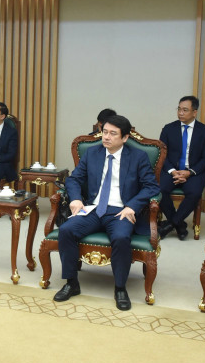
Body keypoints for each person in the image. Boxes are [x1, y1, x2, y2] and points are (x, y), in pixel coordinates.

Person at [53, 114, 160, 310]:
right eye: (104, 132)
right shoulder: (92, 153)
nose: (106, 137)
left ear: (125, 138)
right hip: (93, 208)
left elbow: (151, 187)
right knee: (66, 230)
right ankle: (71, 283)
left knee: (120, 237)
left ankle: (120, 287)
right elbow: (73, 179)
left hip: (121, 211)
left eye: (113, 134)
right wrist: (76, 199)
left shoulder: (137, 157)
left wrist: (132, 206)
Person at [158, 96, 205, 240]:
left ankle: (171, 223)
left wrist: (189, 172)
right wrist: (173, 171)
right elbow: (162, 155)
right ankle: (179, 225)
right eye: (179, 109)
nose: (180, 113)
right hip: (172, 170)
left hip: (194, 172)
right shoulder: (168, 129)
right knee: (160, 189)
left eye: (185, 110)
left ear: (194, 112)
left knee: (194, 193)